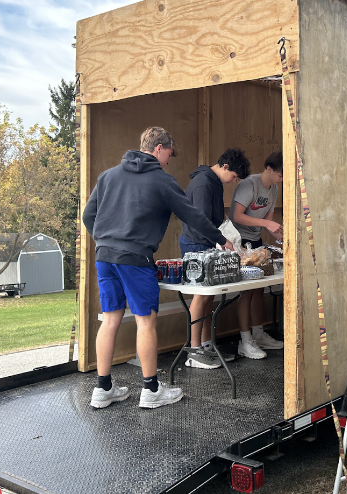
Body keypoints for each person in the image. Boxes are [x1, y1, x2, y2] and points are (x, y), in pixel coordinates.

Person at [82, 126, 234, 409]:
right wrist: (220, 239)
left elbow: (88, 215)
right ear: (160, 148)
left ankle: (103, 389)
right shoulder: (162, 181)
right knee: (145, 321)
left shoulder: (108, 176)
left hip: (104, 257)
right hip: (136, 260)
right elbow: (192, 214)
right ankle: (151, 389)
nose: (169, 160)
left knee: (111, 319)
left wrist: (106, 240)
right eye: (170, 154)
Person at [179, 148, 251, 369]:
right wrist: (222, 239)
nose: (233, 181)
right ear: (225, 167)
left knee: (209, 296)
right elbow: (201, 220)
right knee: (201, 296)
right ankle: (194, 351)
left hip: (208, 242)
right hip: (195, 244)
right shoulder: (203, 183)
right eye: (234, 177)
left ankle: (207, 345)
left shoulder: (214, 182)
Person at [229, 151, 285, 359]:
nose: (282, 178)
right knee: (247, 291)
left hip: (257, 242)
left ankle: (259, 334)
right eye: (280, 174)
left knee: (260, 287)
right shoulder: (249, 185)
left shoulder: (275, 189)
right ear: (269, 169)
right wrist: (266, 224)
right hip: (239, 243)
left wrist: (279, 233)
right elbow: (237, 216)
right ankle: (245, 341)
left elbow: (268, 224)